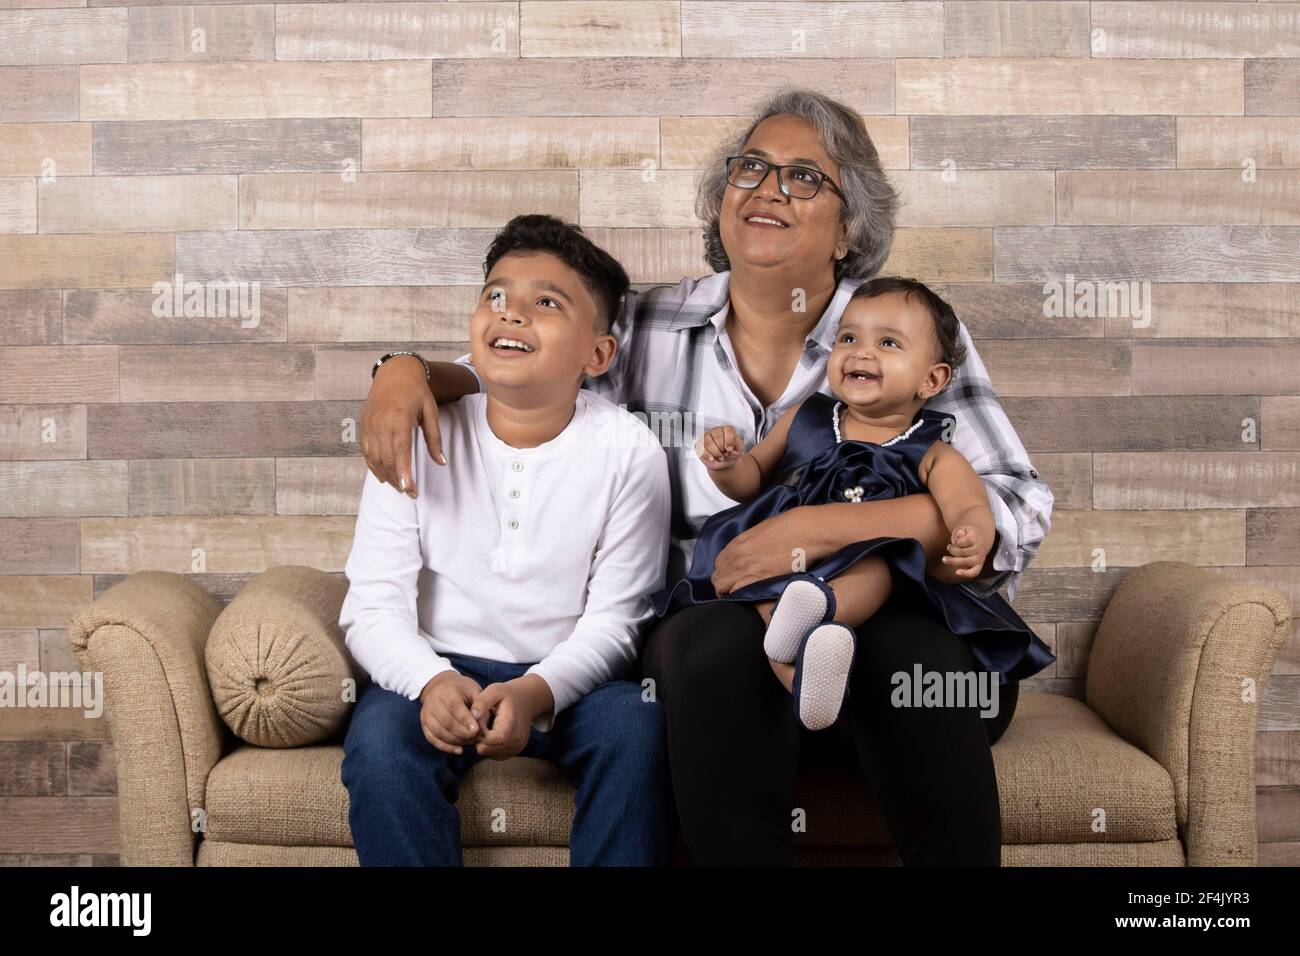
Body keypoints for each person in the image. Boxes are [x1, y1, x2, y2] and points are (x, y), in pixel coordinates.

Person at [358, 88, 1054, 866]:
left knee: (899, 647)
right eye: (750, 168)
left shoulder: (903, 327)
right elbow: (532, 378)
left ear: (850, 227)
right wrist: (404, 369)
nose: (766, 189)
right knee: (704, 643)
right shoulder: (647, 327)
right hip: (722, 671)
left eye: (803, 178)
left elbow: (1015, 508)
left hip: (891, 656)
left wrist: (824, 529)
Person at [338, 214, 673, 866]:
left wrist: (535, 692)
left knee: (638, 725)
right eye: (496, 296)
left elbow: (617, 621)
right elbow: (371, 605)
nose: (512, 314)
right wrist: (430, 681)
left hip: (565, 686)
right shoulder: (418, 430)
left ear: (597, 355)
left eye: (546, 302)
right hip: (434, 668)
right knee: (380, 743)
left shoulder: (627, 451)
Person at [651, 277, 1055, 732]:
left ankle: (824, 623)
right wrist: (727, 465)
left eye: (887, 342)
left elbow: (967, 506)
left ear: (932, 379)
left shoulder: (932, 449)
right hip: (791, 563)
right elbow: (752, 480)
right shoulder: (807, 417)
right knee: (763, 599)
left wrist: (973, 534)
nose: (862, 352)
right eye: (848, 338)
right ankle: (799, 674)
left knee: (880, 568)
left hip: (869, 561)